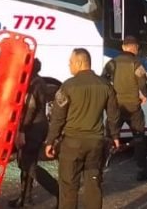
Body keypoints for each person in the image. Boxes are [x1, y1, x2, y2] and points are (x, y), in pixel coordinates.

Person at [45, 48, 121, 209]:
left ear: (79, 63)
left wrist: (50, 141)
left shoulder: (67, 86)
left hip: (72, 144)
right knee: (93, 185)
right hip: (96, 144)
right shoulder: (106, 86)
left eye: (71, 62)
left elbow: (58, 118)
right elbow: (114, 115)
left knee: (68, 187)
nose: (69, 65)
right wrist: (115, 136)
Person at [102, 36, 147, 181]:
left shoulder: (112, 62)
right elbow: (142, 82)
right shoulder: (136, 63)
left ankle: (99, 170)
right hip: (133, 107)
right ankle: (142, 170)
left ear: (123, 48)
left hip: (116, 107)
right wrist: (145, 95)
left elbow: (103, 80)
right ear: (135, 48)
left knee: (108, 137)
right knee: (139, 138)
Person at [10, 59, 56, 207]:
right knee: (27, 163)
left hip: (32, 127)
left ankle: (58, 191)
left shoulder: (32, 84)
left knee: (28, 164)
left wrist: (22, 131)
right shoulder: (39, 81)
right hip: (39, 125)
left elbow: (30, 108)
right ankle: (25, 198)